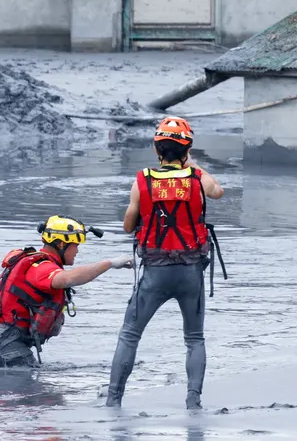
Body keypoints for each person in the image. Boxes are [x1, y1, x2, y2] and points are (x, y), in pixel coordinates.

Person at [106, 116, 226, 410]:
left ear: (157, 150)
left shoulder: (142, 181)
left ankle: (114, 400)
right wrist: (192, 164)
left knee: (130, 335)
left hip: (154, 274)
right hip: (190, 272)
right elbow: (218, 191)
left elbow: (127, 226)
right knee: (194, 338)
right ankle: (193, 401)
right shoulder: (197, 180)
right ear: (187, 150)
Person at [0, 215, 133, 368]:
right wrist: (110, 263)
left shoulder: (38, 263)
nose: (77, 251)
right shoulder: (42, 267)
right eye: (75, 245)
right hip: (6, 349)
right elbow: (67, 279)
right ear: (60, 244)